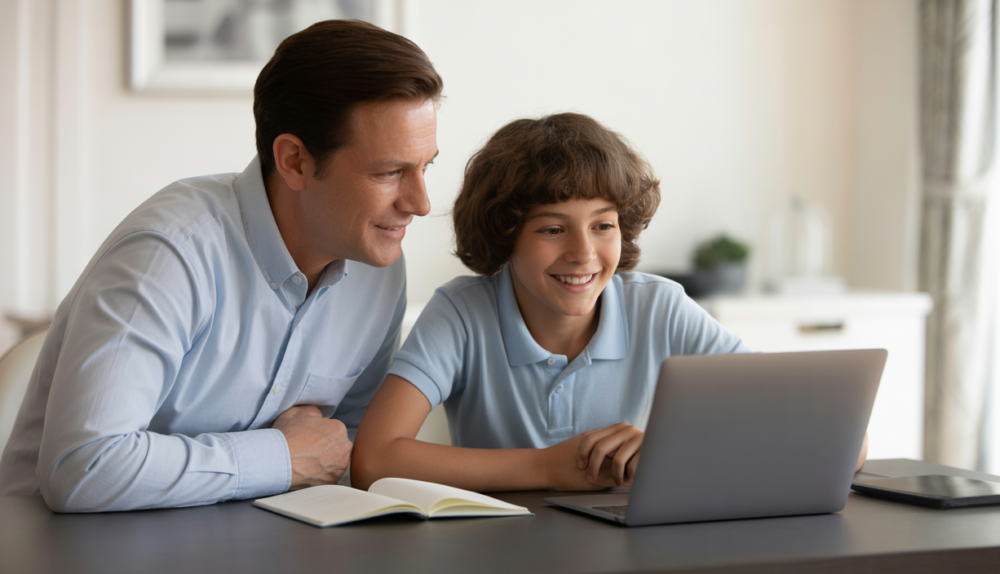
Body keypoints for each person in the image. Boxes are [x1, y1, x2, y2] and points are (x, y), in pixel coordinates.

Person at [0, 20, 442, 512]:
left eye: (426, 167)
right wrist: (281, 457)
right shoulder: (169, 252)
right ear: (294, 160)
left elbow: (342, 450)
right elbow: (84, 468)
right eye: (389, 172)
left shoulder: (378, 270)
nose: (420, 203)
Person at [352, 113, 868, 492]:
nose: (583, 253)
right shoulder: (462, 314)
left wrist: (668, 452)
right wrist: (547, 467)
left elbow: (843, 441)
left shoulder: (661, 309)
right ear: (506, 234)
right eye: (553, 228)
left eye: (604, 225)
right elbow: (374, 458)